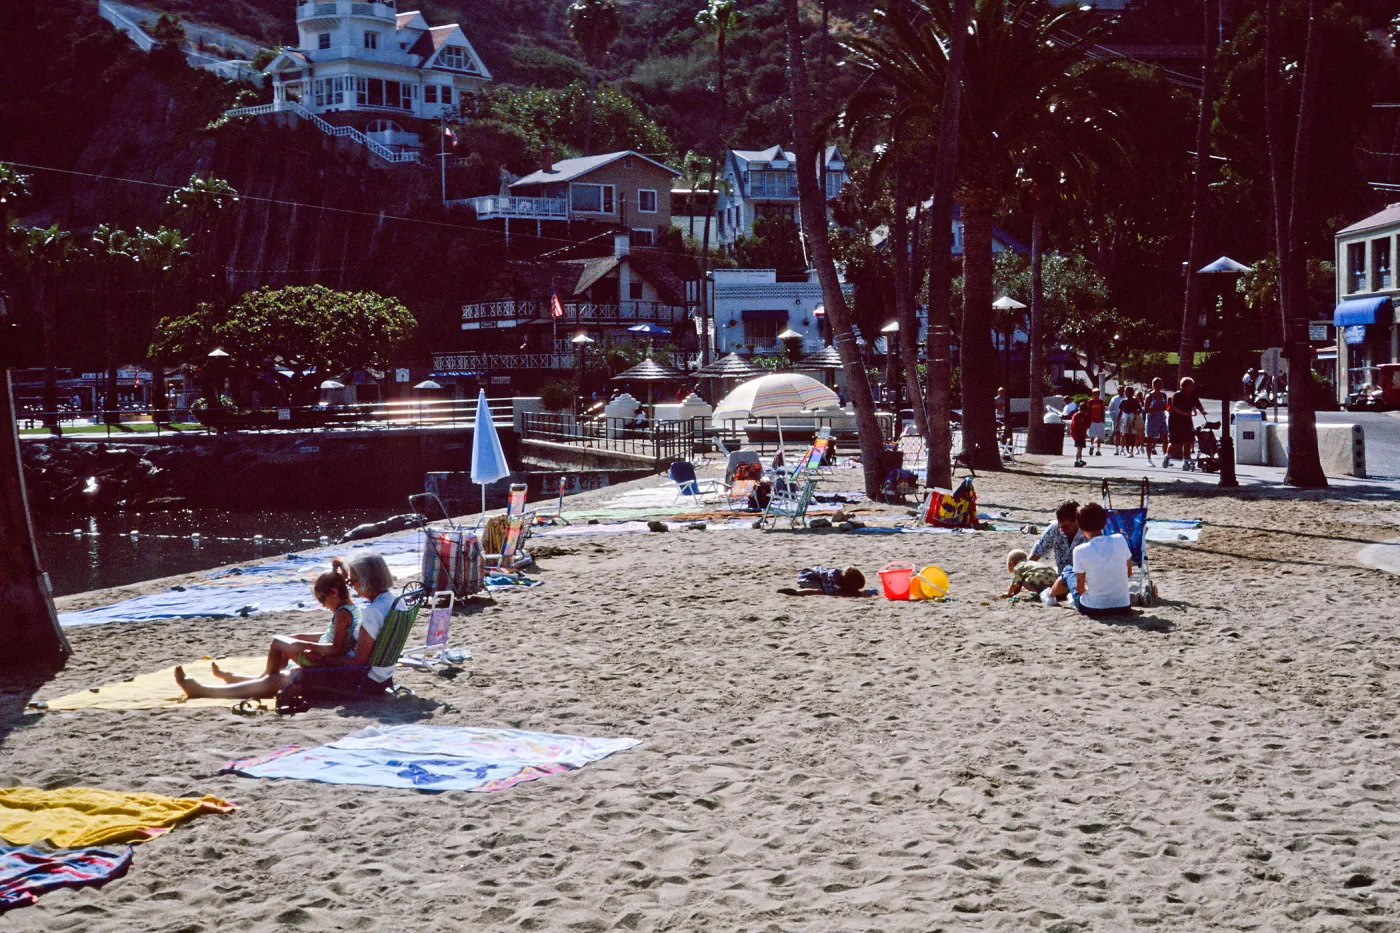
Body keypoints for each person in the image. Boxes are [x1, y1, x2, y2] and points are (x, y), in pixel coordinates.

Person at [175, 552, 397, 700]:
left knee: (282, 678)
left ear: (369, 578)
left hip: (357, 680)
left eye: (355, 581)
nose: (353, 586)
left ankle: (203, 691)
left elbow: (358, 661)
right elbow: (353, 640)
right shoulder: (390, 602)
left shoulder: (372, 612)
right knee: (280, 671)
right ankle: (242, 681)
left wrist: (321, 658)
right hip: (377, 676)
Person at [1070, 502, 1132, 617]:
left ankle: (1050, 595)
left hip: (1094, 608)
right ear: (1104, 524)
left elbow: (1080, 588)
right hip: (1123, 606)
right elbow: (1128, 572)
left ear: (1081, 527)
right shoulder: (1120, 539)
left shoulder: (1079, 550)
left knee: (1068, 572)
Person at [1031, 500, 1088, 606]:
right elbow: (1037, 551)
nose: (1061, 530)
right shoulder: (1055, 527)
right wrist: (1024, 570)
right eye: (1060, 526)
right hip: (1061, 577)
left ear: (1076, 522)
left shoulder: (1088, 531)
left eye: (1066, 527)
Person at [1165, 376, 1205, 469]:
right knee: (1175, 442)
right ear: (1184, 386)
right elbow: (1174, 407)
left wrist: (1202, 411)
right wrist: (1183, 413)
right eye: (1190, 386)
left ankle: (1186, 462)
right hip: (1176, 421)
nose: (1192, 388)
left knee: (1188, 441)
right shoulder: (1177, 395)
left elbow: (1198, 405)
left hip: (1187, 420)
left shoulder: (1193, 396)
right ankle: (1167, 457)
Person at [779, 566, 868, 597]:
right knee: (820, 591)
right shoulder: (833, 576)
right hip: (806, 578)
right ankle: (797, 592)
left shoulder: (841, 578)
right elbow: (829, 592)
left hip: (816, 579)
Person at [1144, 378, 1168, 465]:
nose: (1158, 387)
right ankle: (1149, 459)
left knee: (1165, 437)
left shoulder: (1163, 395)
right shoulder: (1149, 396)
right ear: (1153, 385)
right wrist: (1156, 408)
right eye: (1156, 385)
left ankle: (1166, 457)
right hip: (1152, 419)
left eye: (1160, 385)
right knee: (1150, 439)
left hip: (1161, 418)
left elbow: (1165, 407)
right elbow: (1146, 409)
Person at [1119, 387, 1143, 458]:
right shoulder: (1123, 401)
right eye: (1126, 392)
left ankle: (1131, 450)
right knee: (1126, 434)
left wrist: (1135, 412)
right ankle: (1127, 450)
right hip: (1125, 418)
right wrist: (1118, 422)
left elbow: (1140, 410)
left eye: (1130, 392)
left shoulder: (1135, 401)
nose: (1128, 393)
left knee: (1132, 435)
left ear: (1132, 393)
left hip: (1133, 418)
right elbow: (1120, 412)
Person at [1085, 388, 1106, 456]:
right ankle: (1091, 446)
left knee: (1099, 437)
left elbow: (1103, 412)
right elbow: (1088, 412)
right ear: (1093, 394)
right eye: (1095, 393)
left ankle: (1098, 450)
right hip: (1092, 421)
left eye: (1098, 393)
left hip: (1100, 421)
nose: (1096, 395)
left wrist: (1103, 420)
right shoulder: (1090, 402)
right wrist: (1087, 421)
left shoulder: (1101, 402)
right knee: (1092, 435)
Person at [1108, 390, 1124, 455]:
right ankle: (1116, 449)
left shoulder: (1126, 398)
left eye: (1122, 389)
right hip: (1116, 419)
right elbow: (1110, 409)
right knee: (1116, 434)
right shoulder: (1114, 399)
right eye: (1119, 390)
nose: (1121, 391)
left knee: (1123, 435)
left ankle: (1122, 449)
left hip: (1124, 419)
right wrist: (1113, 418)